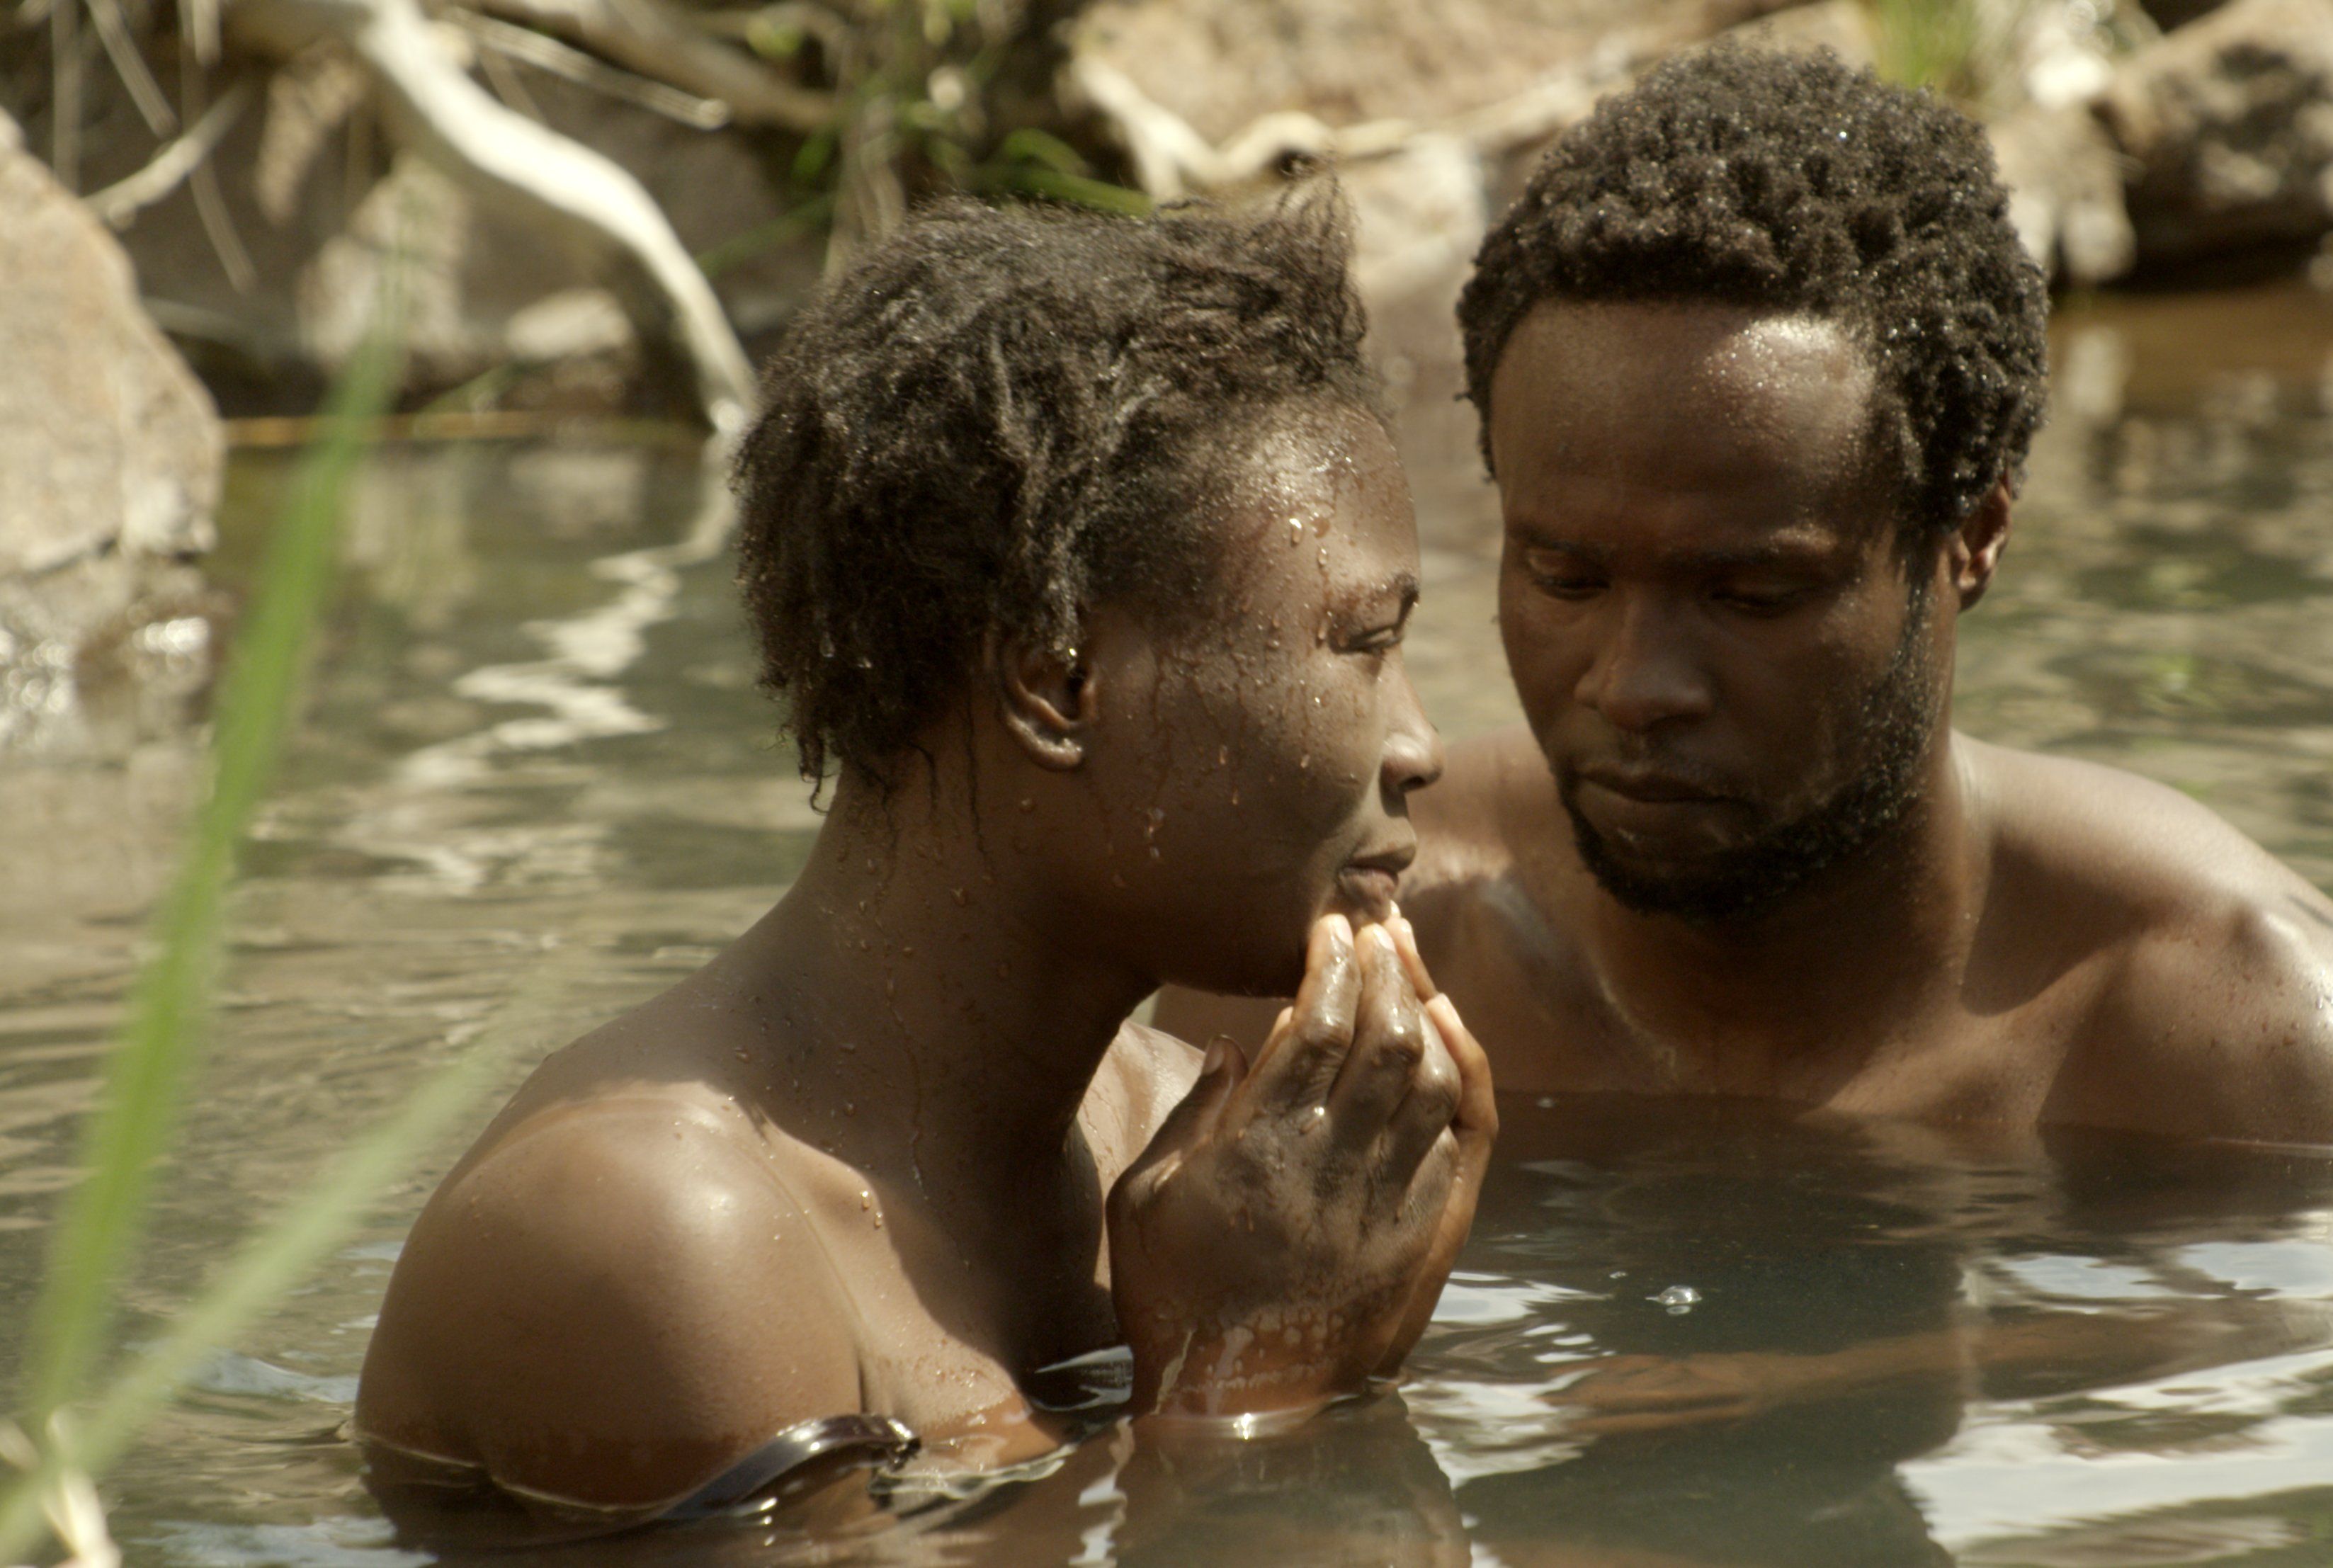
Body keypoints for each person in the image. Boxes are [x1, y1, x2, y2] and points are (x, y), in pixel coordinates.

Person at [352, 188, 1497, 1519]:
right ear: (1058, 684)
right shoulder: (662, 1234)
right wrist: (1248, 1383)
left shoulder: (1199, 1156)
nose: (1421, 744)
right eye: (1364, 645)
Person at [1158, 47, 2333, 1147]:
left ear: (1973, 536)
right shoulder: (1331, 946)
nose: (1635, 686)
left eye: (1751, 591)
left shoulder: (2254, 1048)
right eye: (1567, 575)